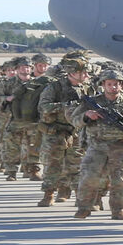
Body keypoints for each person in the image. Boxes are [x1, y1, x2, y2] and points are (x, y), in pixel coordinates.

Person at [71, 69, 123, 219]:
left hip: (121, 147)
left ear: (121, 86)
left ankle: (119, 210)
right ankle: (84, 208)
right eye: (109, 84)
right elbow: (74, 121)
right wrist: (87, 116)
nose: (113, 87)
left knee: (120, 179)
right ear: (103, 85)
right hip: (97, 146)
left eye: (116, 84)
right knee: (89, 177)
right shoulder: (92, 103)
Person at [36, 54, 92, 206]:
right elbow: (43, 107)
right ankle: (48, 194)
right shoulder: (54, 87)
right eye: (83, 73)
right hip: (56, 133)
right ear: (72, 73)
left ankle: (76, 196)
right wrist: (64, 106)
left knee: (76, 166)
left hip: (77, 133)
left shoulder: (88, 88)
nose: (86, 75)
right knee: (52, 165)